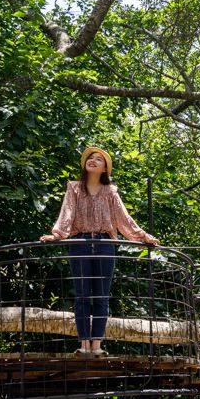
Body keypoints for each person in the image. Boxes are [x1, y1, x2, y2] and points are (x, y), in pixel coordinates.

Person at [39, 147, 160, 355]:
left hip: (105, 243)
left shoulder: (110, 191)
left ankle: (97, 346)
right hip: (80, 243)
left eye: (98, 159)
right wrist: (57, 234)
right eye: (90, 158)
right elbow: (67, 213)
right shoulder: (74, 188)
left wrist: (142, 237)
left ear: (105, 169)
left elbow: (123, 218)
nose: (92, 160)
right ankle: (84, 345)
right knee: (82, 295)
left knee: (102, 296)